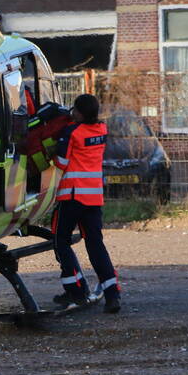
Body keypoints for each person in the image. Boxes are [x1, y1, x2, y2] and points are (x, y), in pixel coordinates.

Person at [51, 94, 121, 314]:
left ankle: (75, 290)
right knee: (95, 245)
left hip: (72, 196)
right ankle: (112, 295)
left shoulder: (72, 132)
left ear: (79, 112)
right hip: (93, 197)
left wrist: (53, 149)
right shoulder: (102, 130)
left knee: (60, 241)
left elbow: (61, 163)